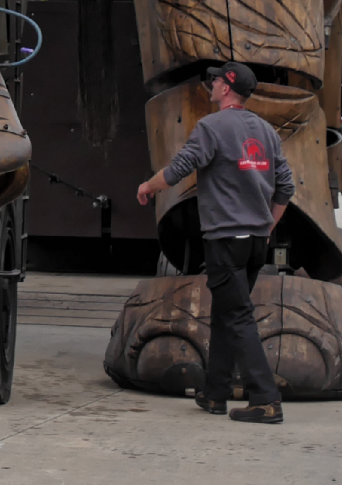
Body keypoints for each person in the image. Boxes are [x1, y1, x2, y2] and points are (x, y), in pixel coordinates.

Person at [133, 63, 293, 424]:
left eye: (216, 80)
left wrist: (148, 186)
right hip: (255, 241)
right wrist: (269, 224)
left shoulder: (212, 127)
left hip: (225, 239)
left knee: (237, 317)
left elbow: (179, 169)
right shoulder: (266, 131)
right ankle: (215, 393)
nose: (211, 84)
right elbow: (286, 186)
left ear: (227, 87)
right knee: (226, 312)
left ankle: (266, 400)